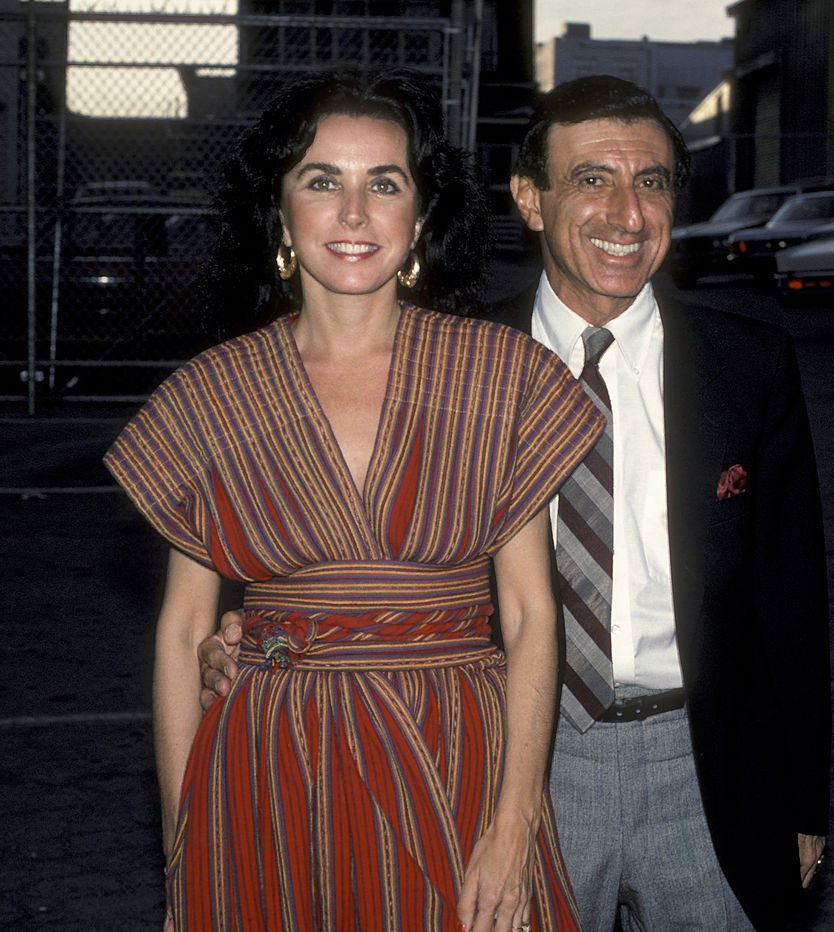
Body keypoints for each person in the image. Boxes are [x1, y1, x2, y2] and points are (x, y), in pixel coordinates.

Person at [200, 74, 832, 931]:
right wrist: (257, 632)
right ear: (529, 199)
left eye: (650, 182)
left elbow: (790, 597)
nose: (627, 212)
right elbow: (353, 537)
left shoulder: (748, 366)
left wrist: (804, 797)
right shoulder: (446, 364)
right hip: (507, 760)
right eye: (591, 180)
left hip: (704, 762)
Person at [104, 68, 603, 932]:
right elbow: (185, 632)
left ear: (418, 218)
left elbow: (529, 615)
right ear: (282, 212)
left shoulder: (501, 377)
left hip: (456, 757)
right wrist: (189, 841)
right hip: (269, 769)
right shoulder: (214, 394)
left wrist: (515, 822)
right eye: (322, 180)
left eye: (385, 182)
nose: (353, 212)